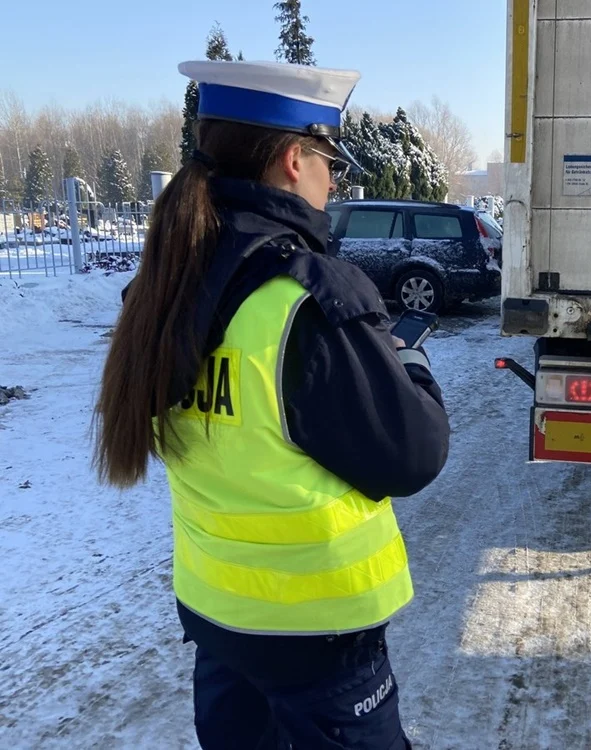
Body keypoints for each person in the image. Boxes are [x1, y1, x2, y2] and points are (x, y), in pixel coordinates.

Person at [93, 59, 451, 749]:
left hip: (220, 622)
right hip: (318, 634)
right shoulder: (306, 298)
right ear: (294, 159)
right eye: (332, 162)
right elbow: (414, 455)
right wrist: (410, 359)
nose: (334, 181)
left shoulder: (164, 287)